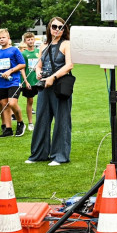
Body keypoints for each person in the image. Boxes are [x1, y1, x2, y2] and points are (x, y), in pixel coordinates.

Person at [26, 17, 74, 166]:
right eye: (54, 26)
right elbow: (39, 64)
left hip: (60, 86)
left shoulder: (66, 44)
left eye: (61, 27)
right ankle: (39, 154)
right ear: (49, 28)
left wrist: (53, 77)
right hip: (44, 86)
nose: (57, 29)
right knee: (41, 119)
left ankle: (59, 155)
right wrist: (39, 72)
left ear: (64, 29)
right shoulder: (44, 45)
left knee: (61, 120)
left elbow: (70, 65)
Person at [0, 28, 27, 137]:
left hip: (14, 81)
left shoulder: (14, 50)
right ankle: (8, 128)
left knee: (12, 103)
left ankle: (20, 123)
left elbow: (22, 64)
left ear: (8, 38)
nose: (1, 40)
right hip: (2, 82)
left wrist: (10, 71)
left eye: (3, 37)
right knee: (4, 104)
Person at [20, 31, 40, 131]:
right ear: (25, 41)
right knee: (30, 101)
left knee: (41, 101)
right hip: (29, 81)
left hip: (39, 80)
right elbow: (22, 68)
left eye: (32, 39)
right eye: (28, 39)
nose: (30, 41)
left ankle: (40, 122)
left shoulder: (38, 52)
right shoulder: (23, 54)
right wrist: (25, 81)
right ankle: (30, 123)